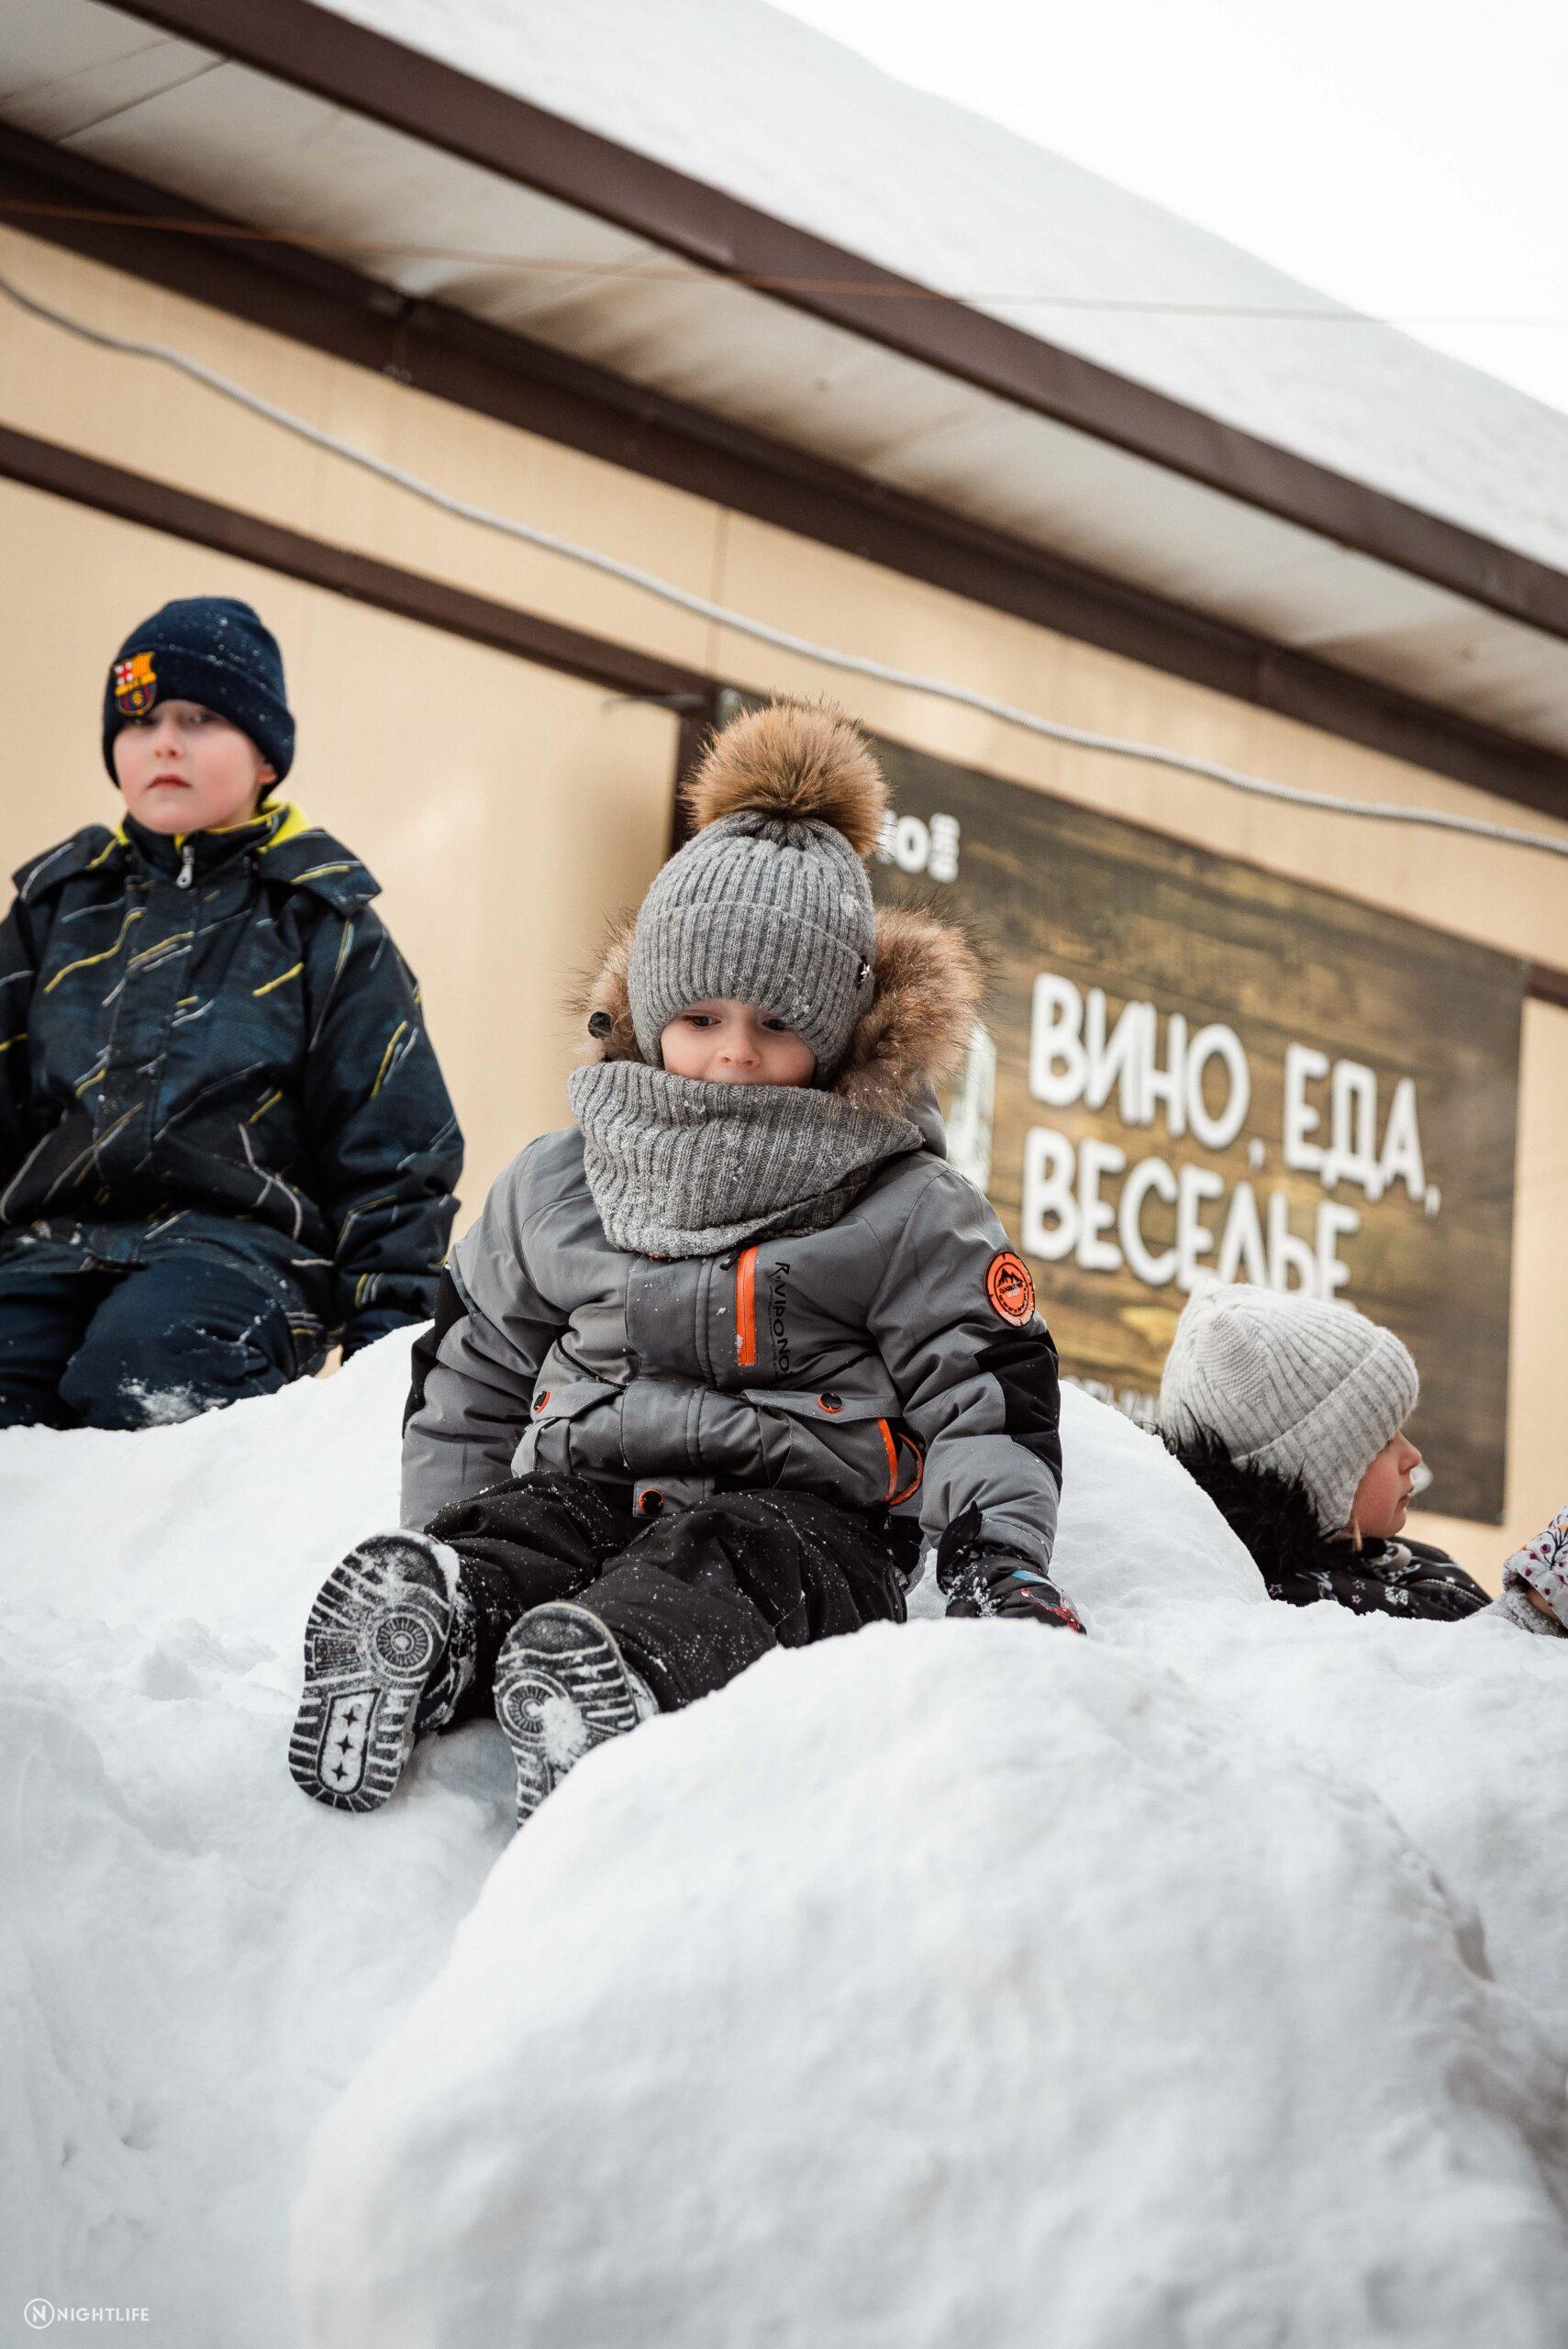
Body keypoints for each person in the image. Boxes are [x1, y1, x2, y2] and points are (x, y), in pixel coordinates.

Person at [290, 700, 1080, 1831]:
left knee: (738, 1560)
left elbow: (983, 1384)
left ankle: (610, 1677)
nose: (734, 1053)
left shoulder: (903, 1203)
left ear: (842, 1033)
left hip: (806, 1521)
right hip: (591, 1485)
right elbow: (472, 1372)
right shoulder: (559, 1182)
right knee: (528, 1534)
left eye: (776, 1023)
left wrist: (995, 1556)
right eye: (701, 1015)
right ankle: (441, 1621)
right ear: (650, 1009)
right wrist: (443, 1528)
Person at [0, 596, 462, 1429]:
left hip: (243, 1259)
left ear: (265, 758)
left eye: (201, 718)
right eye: (140, 721)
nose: (164, 742)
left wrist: (385, 1356)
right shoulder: (55, 909)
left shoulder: (321, 923)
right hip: (44, 1252)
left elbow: (395, 1150)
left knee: (142, 1371)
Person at [1159, 1282, 1565, 1638]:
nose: (1412, 1456)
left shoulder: (1401, 1559)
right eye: (1383, 1441)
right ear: (1319, 1476)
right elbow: (1433, 1682)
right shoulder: (1305, 1612)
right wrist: (1537, 1610)